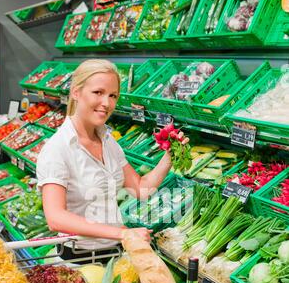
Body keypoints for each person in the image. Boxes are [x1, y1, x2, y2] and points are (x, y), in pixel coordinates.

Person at [36, 59, 188, 264]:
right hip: (78, 259)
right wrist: (122, 233)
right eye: (98, 93)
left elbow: (141, 189)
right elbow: (56, 218)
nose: (106, 103)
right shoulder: (58, 149)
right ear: (76, 92)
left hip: (115, 253)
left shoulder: (108, 142)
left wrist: (169, 156)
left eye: (113, 95)